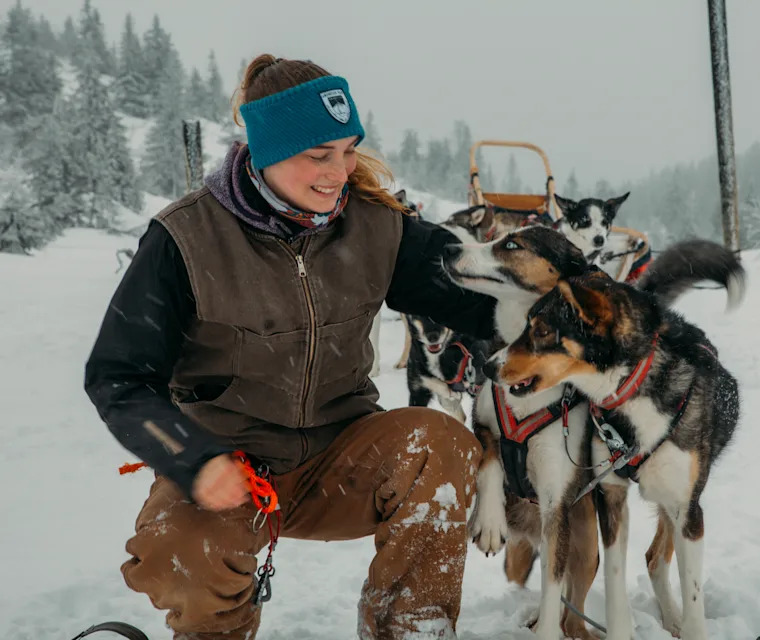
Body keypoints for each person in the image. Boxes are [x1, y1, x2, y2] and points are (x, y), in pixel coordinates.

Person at [84, 54, 496, 640]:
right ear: (268, 151)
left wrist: (571, 306)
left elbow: (477, 297)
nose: (341, 171)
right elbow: (117, 377)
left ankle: (415, 629)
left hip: (342, 458)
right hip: (229, 467)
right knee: (181, 553)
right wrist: (193, 458)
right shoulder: (185, 240)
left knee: (438, 444)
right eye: (318, 154)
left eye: (349, 150)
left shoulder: (379, 227)